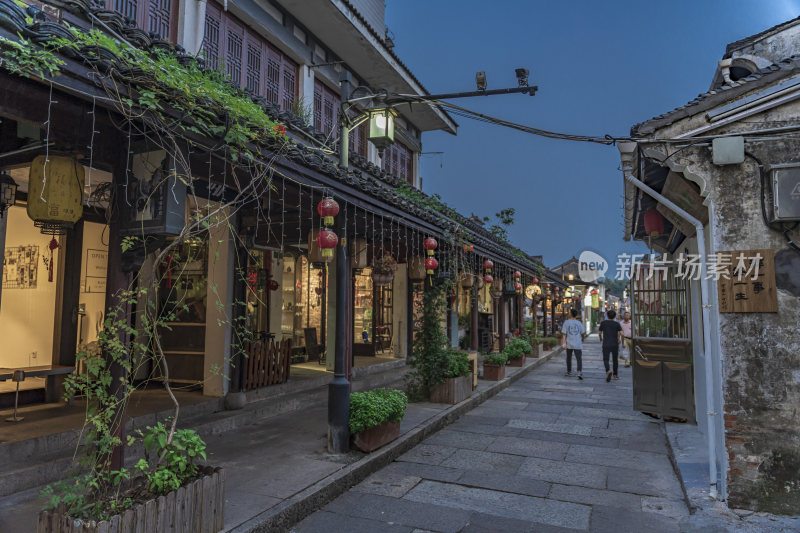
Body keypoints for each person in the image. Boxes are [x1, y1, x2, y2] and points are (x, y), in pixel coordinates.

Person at [561, 309, 586, 380]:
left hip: (569, 343)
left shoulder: (566, 322)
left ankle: (569, 371)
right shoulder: (579, 323)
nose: (568, 313)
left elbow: (564, 334)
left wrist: (563, 343)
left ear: (571, 314)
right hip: (578, 343)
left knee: (568, 358)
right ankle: (579, 372)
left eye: (569, 312)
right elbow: (582, 332)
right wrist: (582, 339)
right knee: (579, 358)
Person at [598, 309, 623, 382]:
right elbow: (622, 334)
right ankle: (615, 375)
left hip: (606, 344)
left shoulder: (603, 323)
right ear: (615, 316)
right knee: (615, 360)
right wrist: (621, 340)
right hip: (615, 344)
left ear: (607, 315)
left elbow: (599, 333)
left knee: (606, 359)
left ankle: (608, 370)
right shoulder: (617, 324)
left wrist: (601, 338)